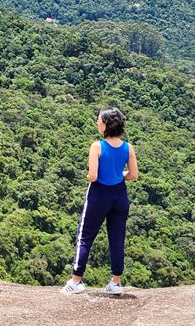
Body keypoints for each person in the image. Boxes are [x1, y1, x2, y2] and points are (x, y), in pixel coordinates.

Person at [61, 107, 138, 295]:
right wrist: (117, 175)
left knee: (85, 236)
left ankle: (76, 281)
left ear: (106, 125)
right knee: (117, 238)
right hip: (120, 195)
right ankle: (116, 283)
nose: (97, 123)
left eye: (99, 120)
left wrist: (88, 175)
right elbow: (133, 175)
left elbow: (93, 176)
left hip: (99, 195)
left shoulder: (97, 146)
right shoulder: (128, 147)